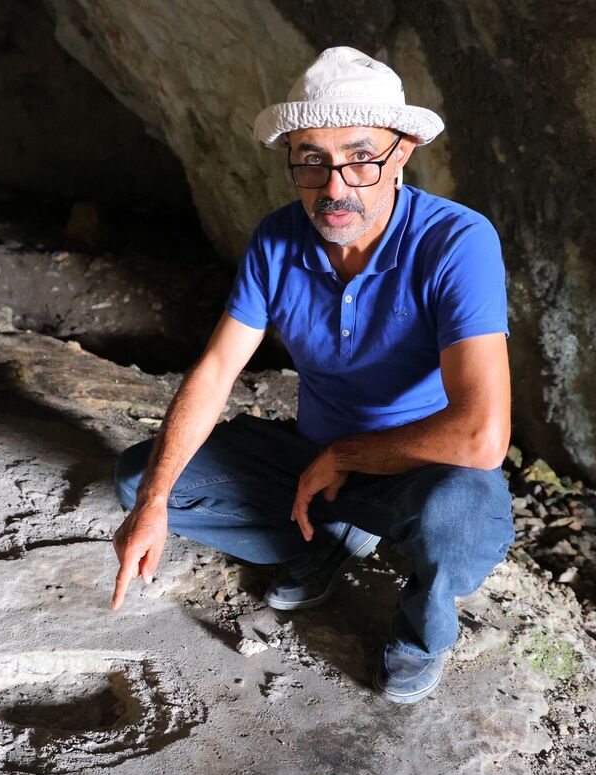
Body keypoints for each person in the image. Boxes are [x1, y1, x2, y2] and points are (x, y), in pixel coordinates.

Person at [110, 46, 515, 705]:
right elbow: (216, 369)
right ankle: (327, 538)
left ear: (403, 152)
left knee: (463, 516)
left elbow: (482, 435)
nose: (334, 187)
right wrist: (154, 505)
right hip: (309, 459)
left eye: (361, 157)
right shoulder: (277, 240)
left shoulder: (456, 242)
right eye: (311, 159)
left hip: (418, 468)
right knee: (140, 480)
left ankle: (421, 635)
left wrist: (348, 456)